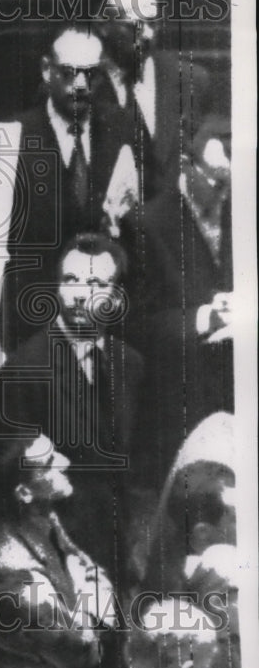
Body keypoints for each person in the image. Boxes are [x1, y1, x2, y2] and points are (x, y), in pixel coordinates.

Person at [0, 233, 144, 586]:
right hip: (54, 560)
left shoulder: (130, 364)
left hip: (114, 545)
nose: (79, 294)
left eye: (96, 283)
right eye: (70, 280)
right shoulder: (23, 371)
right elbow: (6, 480)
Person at [0, 25, 139, 351]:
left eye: (90, 75)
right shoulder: (15, 136)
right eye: (68, 73)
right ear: (47, 70)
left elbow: (153, 205)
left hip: (109, 322)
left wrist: (127, 217)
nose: (79, 85)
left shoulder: (120, 127)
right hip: (37, 321)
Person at [0, 435, 120, 668]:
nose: (65, 463)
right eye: (48, 464)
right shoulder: (9, 571)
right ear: (24, 492)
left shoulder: (41, 517)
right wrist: (92, 598)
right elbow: (83, 647)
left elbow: (91, 574)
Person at [126, 116, 233, 477]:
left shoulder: (240, 204)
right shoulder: (146, 224)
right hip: (183, 400)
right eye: (217, 184)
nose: (225, 196)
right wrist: (205, 317)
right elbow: (138, 326)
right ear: (187, 166)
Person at [96, 0, 214, 197]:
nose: (148, 35)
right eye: (135, 26)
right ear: (102, 24)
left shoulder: (192, 82)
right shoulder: (80, 88)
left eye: (153, 23)